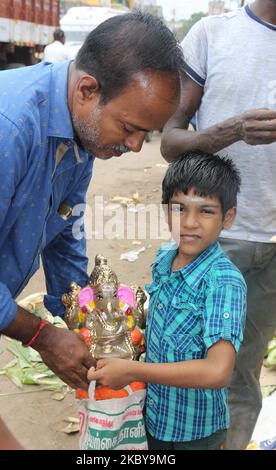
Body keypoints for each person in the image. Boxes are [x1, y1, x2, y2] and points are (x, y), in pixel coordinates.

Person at [0, 11, 183, 399]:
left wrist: (86, 318)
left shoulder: (81, 136)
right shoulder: (5, 129)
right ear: (87, 90)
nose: (137, 146)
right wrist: (41, 336)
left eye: (147, 132)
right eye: (129, 128)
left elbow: (63, 232)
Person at [160, 0, 276, 450]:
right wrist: (232, 131)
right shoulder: (212, 34)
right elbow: (170, 139)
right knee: (187, 368)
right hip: (214, 239)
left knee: (242, 374)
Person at [88, 151, 247, 451]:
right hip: (155, 416)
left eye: (206, 211)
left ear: (228, 217)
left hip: (195, 433)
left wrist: (133, 372)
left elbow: (217, 371)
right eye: (179, 209)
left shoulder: (223, 281)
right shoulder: (165, 258)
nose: (189, 222)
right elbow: (158, 314)